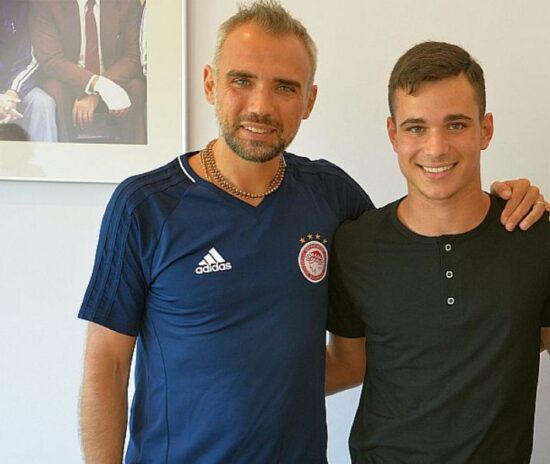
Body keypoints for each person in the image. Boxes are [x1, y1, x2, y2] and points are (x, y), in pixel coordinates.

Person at [78, 2, 546, 462]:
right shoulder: (145, 206)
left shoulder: (331, 196)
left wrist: (518, 202)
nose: (260, 106)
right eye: (242, 80)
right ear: (210, 84)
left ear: (309, 100)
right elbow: (107, 365)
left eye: (285, 87)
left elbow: (408, 254)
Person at [326, 41, 550, 463]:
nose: (436, 148)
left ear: (485, 129)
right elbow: (347, 364)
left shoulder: (533, 235)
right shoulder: (354, 245)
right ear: (393, 135)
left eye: (456, 125)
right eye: (416, 128)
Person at [29, 0, 146, 144]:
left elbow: (133, 57)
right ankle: (65, 153)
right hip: (70, 82)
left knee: (136, 88)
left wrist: (97, 92)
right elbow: (51, 60)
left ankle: (135, 154)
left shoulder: (126, 3)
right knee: (54, 89)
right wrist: (97, 85)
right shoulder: (47, 3)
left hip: (114, 81)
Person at [0, 0, 57, 142]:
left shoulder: (29, 6)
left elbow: (31, 59)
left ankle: (43, 156)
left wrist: (13, 92)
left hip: (17, 87)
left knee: (42, 103)